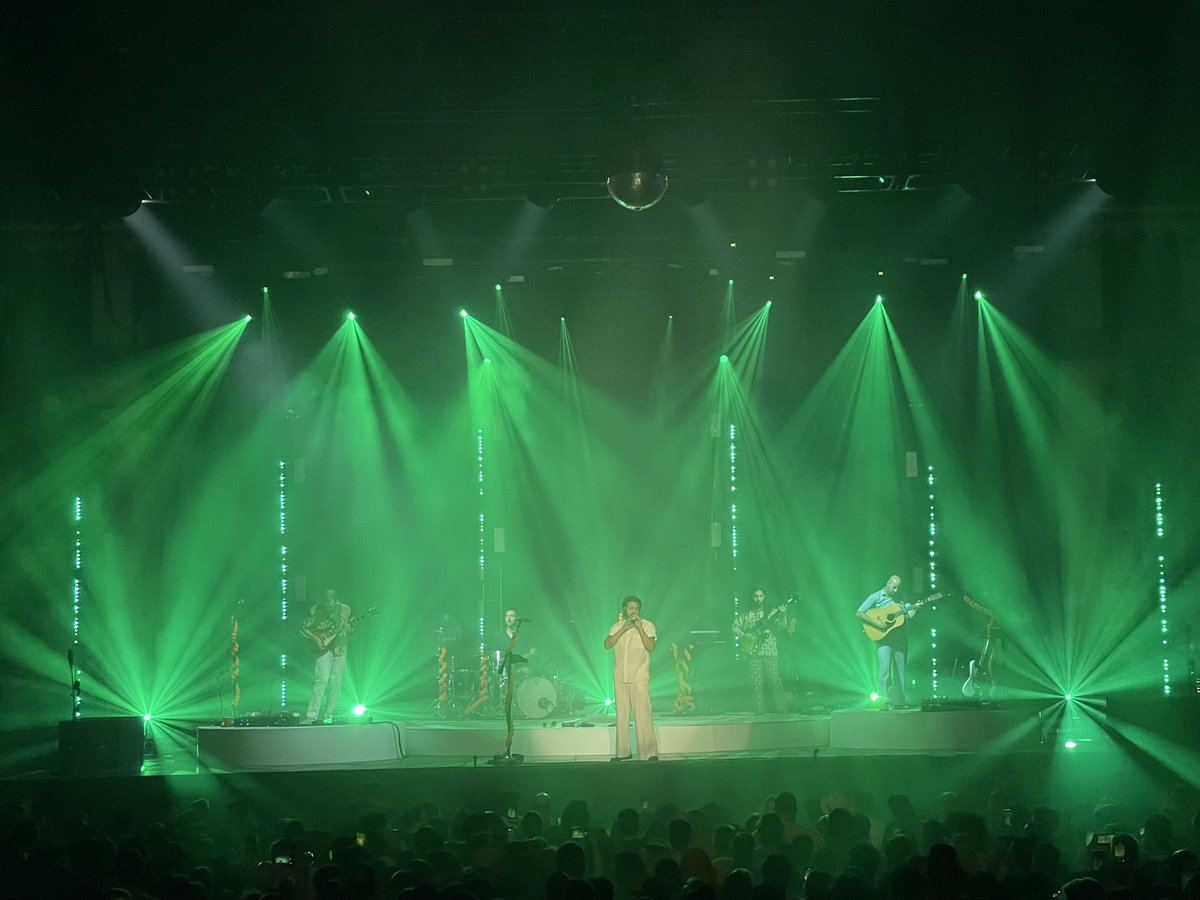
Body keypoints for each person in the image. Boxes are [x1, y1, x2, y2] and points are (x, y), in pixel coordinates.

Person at [604, 595, 659, 761]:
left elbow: (650, 646)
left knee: (643, 715)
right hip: (620, 677)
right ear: (625, 610)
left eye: (636, 608)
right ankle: (623, 752)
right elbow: (607, 644)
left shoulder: (648, 626)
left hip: (639, 676)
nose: (633, 611)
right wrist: (624, 629)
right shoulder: (616, 626)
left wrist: (639, 628)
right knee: (621, 717)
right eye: (630, 608)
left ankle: (648, 753)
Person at [856, 575, 915, 707]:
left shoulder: (901, 599)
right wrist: (875, 623)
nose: (895, 591)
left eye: (898, 588)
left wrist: (914, 610)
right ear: (888, 583)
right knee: (885, 669)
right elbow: (860, 613)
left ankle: (899, 701)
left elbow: (908, 616)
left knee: (900, 671)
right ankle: (884, 701)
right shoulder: (876, 596)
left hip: (900, 638)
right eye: (894, 587)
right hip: (883, 639)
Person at [731, 588, 789, 713]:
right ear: (752, 598)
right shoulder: (747, 614)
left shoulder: (772, 612)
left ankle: (783, 709)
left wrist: (783, 614)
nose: (758, 599)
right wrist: (745, 636)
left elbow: (781, 626)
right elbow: (734, 626)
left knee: (774, 681)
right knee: (756, 684)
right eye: (755, 596)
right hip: (753, 653)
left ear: (765, 596)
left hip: (770, 651)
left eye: (761, 596)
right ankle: (759, 711)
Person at [300, 589, 353, 724]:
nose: (327, 607)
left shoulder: (345, 610)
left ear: (336, 601)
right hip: (322, 649)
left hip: (340, 647)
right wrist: (316, 639)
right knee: (321, 679)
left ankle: (329, 715)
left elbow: (351, 628)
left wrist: (349, 629)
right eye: (325, 603)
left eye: (330, 604)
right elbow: (304, 628)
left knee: (336, 682)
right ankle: (311, 716)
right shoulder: (315, 609)